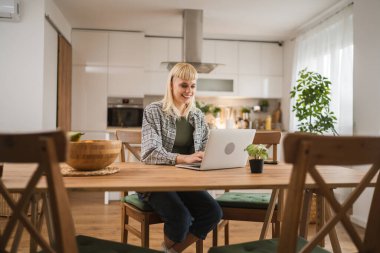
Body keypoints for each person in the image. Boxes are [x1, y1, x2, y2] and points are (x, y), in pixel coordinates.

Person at [140, 63, 222, 253]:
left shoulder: (197, 115)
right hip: (155, 182)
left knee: (213, 212)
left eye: (193, 86)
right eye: (184, 85)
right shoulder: (154, 111)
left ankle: (170, 251)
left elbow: (204, 148)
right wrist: (184, 158)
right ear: (171, 85)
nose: (189, 91)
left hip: (185, 181)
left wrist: (213, 154)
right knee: (180, 216)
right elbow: (150, 152)